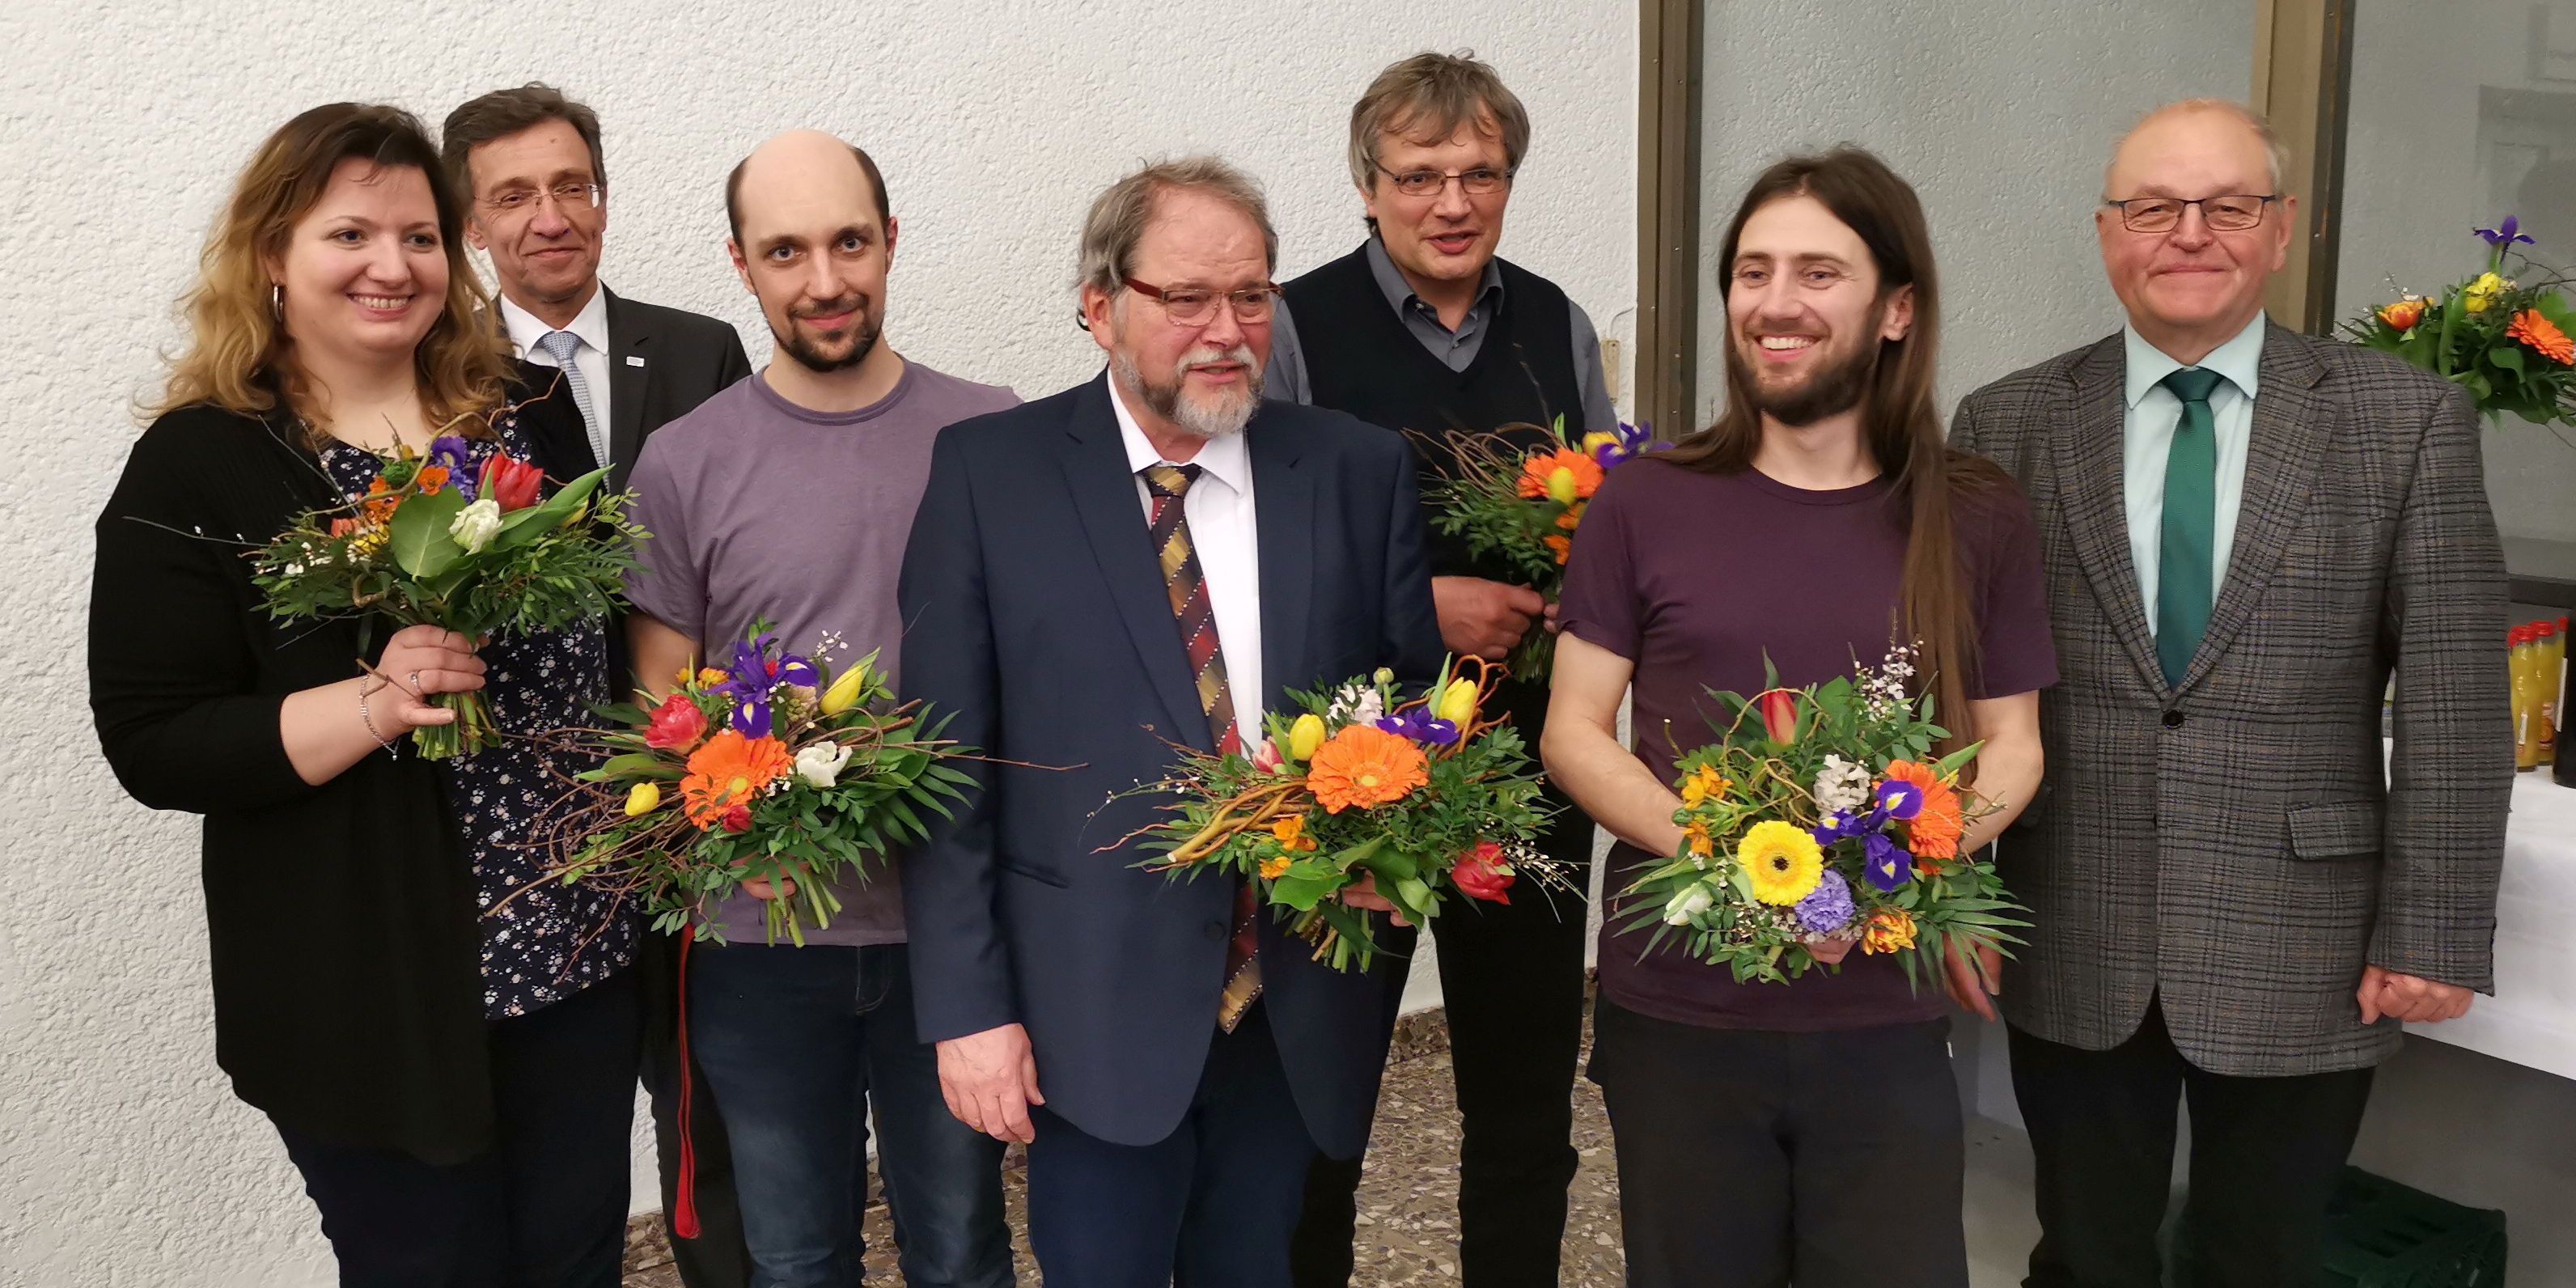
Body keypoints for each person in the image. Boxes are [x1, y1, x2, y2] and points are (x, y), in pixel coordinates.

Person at [1948, 99, 2510, 1288]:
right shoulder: (2005, 424)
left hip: (2304, 937)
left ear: (2282, 228)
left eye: (2227, 206)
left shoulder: (2401, 422)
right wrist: (1954, 898)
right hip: (2075, 919)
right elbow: (1961, 693)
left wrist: (2436, 927)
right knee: (2086, 1254)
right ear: (2109, 233)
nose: (2189, 233)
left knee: (2261, 1257)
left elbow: (2460, 704)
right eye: (2155, 207)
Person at [90, 102, 636, 1286]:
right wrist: (373, 707)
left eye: (423, 236)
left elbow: (602, 645)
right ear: (273, 254)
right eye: (351, 235)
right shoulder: (202, 461)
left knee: (577, 1261)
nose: (394, 267)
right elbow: (153, 739)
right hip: (365, 995)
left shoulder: (525, 419)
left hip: (575, 962)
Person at [898, 158, 1444, 1288]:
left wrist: (1394, 865)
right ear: (1100, 308)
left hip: (1295, 1006)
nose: (1227, 329)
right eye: (1186, 297)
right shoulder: (991, 476)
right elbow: (949, 772)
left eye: (1253, 296)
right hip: (1088, 1009)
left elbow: (1420, 728)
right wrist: (970, 1012)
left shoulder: (1353, 470)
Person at [1541, 146, 2057, 1288]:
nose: (1776, 303)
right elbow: (1575, 729)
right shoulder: (1648, 499)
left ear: (1896, 308)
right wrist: (1741, 864)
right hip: (1678, 1013)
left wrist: (1888, 864)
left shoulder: (1973, 512)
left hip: (1883, 1017)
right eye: (1753, 271)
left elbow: (2012, 746)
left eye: (1820, 273)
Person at [621, 129, 1019, 1288]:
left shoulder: (994, 433)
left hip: (951, 936)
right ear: (741, 267)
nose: (825, 280)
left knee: (961, 1246)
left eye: (850, 242)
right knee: (795, 1258)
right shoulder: (684, 463)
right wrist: (733, 832)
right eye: (785, 251)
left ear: (891, 242)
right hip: (763, 943)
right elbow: (664, 707)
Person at [1272, 53, 1611, 1287]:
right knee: (1321, 1110)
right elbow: (1256, 559)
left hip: (1530, 776)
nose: (1452, 202)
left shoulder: (1558, 324)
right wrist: (1423, 606)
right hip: (1342, 782)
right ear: (1367, 188)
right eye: (1419, 176)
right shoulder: (1294, 329)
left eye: (1481, 173)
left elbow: (1601, 518)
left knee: (1524, 1106)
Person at [442, 81, 759, 1288]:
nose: (549, 215)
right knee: (553, 1149)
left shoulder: (696, 349)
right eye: (512, 195)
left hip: (691, 805)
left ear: (604, 197)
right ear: (473, 225)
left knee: (706, 1112)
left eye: (571, 185)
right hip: (538, 836)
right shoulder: (441, 379)